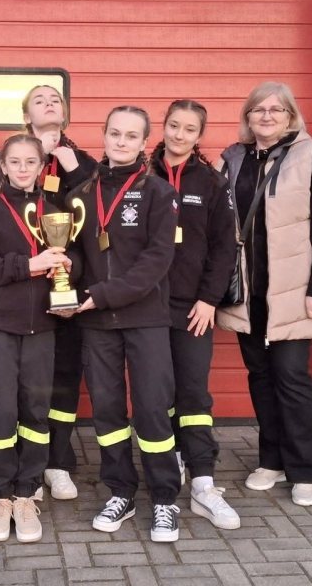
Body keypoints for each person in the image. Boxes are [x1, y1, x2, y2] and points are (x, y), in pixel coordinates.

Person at [215, 82, 312, 507]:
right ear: (248, 117)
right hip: (249, 293)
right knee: (261, 376)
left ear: (290, 115)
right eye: (259, 110)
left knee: (292, 377)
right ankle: (271, 460)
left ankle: (305, 471)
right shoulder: (233, 158)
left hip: (294, 291)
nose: (267, 116)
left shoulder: (310, 155)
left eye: (276, 109)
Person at [64, 105, 182, 542]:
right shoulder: (81, 193)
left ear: (144, 142)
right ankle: (121, 491)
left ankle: (165, 497)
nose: (121, 141)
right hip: (97, 321)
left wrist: (103, 294)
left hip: (145, 318)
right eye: (115, 133)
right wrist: (68, 275)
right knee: (108, 410)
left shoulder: (158, 192)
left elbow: (157, 260)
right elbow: (79, 253)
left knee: (152, 408)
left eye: (132, 136)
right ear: (104, 134)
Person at [0, 134, 67, 542]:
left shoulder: (56, 213)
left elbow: (70, 263)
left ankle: (27, 492)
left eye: (31, 162)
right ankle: (0, 495)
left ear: (41, 167)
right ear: (3, 166)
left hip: (43, 326)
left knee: (36, 412)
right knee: (1, 412)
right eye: (15, 162)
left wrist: (65, 270)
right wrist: (29, 265)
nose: (23, 169)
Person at [148, 100, 240, 529]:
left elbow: (224, 248)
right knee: (157, 393)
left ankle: (204, 481)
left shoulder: (212, 182)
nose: (179, 135)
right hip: (146, 305)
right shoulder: (141, 175)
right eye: (173, 125)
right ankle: (168, 464)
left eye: (189, 129)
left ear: (199, 135)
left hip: (192, 307)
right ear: (163, 126)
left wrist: (208, 299)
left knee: (193, 393)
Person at [21, 84, 98, 500]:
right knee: (28, 379)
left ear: (65, 112)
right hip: (24, 285)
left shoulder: (84, 163)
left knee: (65, 375)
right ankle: (29, 463)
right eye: (39, 100)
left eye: (55, 100)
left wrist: (73, 169)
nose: (49, 104)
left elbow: (98, 219)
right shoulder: (14, 158)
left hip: (71, 284)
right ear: (27, 116)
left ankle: (58, 462)